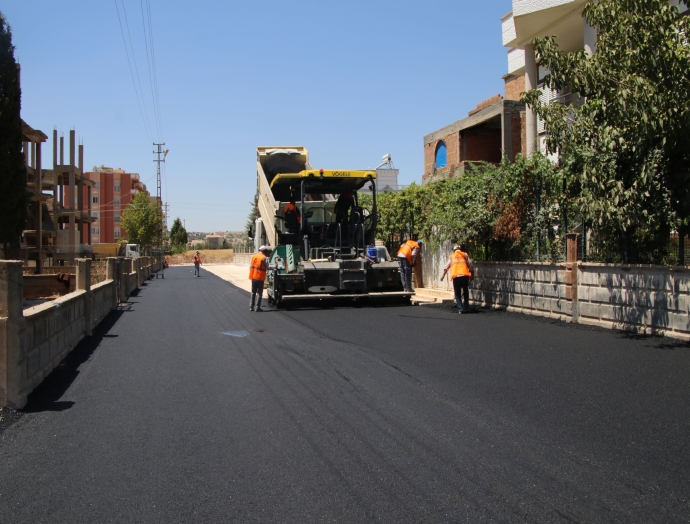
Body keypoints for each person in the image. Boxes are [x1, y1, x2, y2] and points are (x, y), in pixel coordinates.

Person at [441, 244, 473, 314]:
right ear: (460, 249)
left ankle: (460, 309)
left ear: (454, 250)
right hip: (464, 276)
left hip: (456, 276)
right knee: (465, 291)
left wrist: (442, 276)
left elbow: (446, 267)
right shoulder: (464, 255)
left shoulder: (452, 256)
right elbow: (471, 266)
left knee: (457, 294)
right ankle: (466, 307)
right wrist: (472, 275)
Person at [249, 245, 270, 312]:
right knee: (259, 293)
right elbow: (268, 267)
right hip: (260, 278)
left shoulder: (254, 256)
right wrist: (275, 266)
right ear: (264, 251)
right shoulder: (264, 258)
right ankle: (257, 307)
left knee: (253, 292)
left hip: (253, 277)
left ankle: (251, 306)